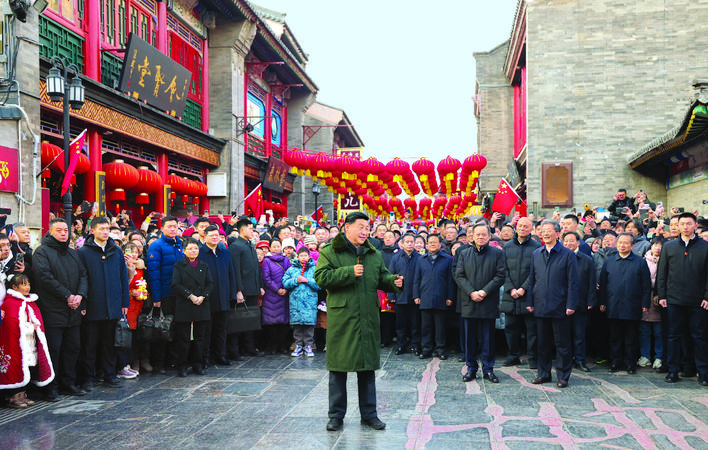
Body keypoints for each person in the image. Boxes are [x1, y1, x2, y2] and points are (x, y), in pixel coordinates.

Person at [314, 211, 403, 432]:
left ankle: (369, 415)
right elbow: (321, 278)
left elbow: (380, 277)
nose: (365, 231)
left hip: (368, 318)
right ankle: (336, 416)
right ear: (347, 227)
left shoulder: (373, 253)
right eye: (361, 227)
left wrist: (393, 282)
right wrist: (348, 272)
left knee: (367, 369)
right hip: (342, 319)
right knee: (338, 370)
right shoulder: (329, 252)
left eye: (367, 227)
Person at [33, 218, 89, 401]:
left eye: (66, 230)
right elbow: (44, 278)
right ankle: (51, 386)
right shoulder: (42, 252)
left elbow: (83, 274)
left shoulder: (73, 253)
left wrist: (80, 295)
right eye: (59, 230)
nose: (64, 233)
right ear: (50, 232)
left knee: (73, 348)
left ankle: (68, 383)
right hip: (53, 309)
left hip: (73, 309)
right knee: (54, 349)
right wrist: (67, 296)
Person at [77, 216, 130, 390]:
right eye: (101, 229)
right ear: (92, 231)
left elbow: (123, 277)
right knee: (89, 345)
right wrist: (83, 304)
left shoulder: (116, 251)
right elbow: (81, 280)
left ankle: (110, 375)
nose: (105, 232)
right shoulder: (83, 252)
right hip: (93, 305)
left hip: (113, 305)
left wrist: (124, 302)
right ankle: (88, 378)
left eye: (107, 228)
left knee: (110, 344)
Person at [656, 212, 708, 385]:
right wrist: (662, 295)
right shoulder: (669, 246)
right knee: (673, 336)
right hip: (674, 299)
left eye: (689, 223)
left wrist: (707, 296)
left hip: (698, 300)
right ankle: (673, 370)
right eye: (682, 223)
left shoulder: (705, 246)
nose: (685, 227)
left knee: (699, 336)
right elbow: (662, 274)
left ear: (695, 226)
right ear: (677, 226)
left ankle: (703, 372)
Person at [526, 220, 578, 388]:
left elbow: (573, 282)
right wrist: (530, 301)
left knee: (562, 344)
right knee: (542, 343)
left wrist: (571, 304)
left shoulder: (567, 254)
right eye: (543, 231)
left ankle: (563, 376)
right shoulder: (536, 253)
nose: (545, 233)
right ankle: (543, 374)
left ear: (558, 234)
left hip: (560, 306)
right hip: (540, 305)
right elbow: (532, 280)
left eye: (549, 231)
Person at [454, 223, 506, 384]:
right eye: (478, 235)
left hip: (488, 301)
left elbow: (500, 276)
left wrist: (484, 292)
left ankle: (488, 369)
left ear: (489, 236)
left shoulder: (497, 254)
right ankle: (471, 368)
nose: (481, 237)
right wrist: (471, 292)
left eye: (484, 234)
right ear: (472, 236)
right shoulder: (464, 253)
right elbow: (459, 275)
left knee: (488, 338)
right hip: (469, 301)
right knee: (470, 338)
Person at [598, 232, 651, 374]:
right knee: (615, 337)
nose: (622, 245)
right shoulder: (609, 261)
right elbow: (603, 284)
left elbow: (646, 285)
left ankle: (630, 363)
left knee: (631, 338)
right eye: (620, 242)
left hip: (632, 305)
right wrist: (602, 302)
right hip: (613, 304)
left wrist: (645, 303)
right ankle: (615, 362)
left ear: (632, 246)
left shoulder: (640, 262)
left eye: (626, 243)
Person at [0, 275, 53, 408]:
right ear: (14, 287)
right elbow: (12, 324)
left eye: (28, 284)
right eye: (23, 285)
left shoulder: (30, 301)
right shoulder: (10, 303)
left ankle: (23, 394)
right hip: (15, 343)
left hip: (29, 342)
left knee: (27, 367)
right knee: (15, 366)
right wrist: (30, 327)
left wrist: (35, 327)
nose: (27, 287)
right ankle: (12, 396)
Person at [501, 217, 541, 369]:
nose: (523, 228)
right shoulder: (507, 246)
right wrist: (511, 288)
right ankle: (513, 356)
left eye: (526, 226)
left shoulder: (537, 247)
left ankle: (533, 358)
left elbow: (536, 271)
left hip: (528, 295)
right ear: (515, 228)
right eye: (520, 226)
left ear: (531, 229)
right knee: (511, 328)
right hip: (510, 295)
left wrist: (524, 288)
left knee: (532, 330)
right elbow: (502, 270)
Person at [146, 216, 183, 373]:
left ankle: (173, 360)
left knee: (177, 328)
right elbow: (154, 273)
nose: (173, 229)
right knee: (162, 328)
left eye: (175, 226)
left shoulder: (180, 244)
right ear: (162, 228)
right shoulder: (156, 246)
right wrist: (157, 298)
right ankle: (159, 363)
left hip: (180, 294)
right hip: (165, 294)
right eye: (169, 226)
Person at [171, 238, 214, 377]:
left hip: (201, 303)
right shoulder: (178, 265)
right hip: (185, 303)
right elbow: (176, 284)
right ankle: (182, 365)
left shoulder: (204, 265)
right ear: (184, 251)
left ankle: (198, 364)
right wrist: (190, 296)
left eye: (195, 248)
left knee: (200, 337)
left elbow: (210, 283)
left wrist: (203, 296)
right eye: (190, 249)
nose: (193, 251)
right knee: (183, 338)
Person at [199, 225, 239, 367]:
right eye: (211, 235)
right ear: (205, 237)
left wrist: (232, 293)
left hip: (224, 296)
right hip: (208, 298)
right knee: (207, 330)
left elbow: (231, 274)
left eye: (217, 235)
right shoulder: (200, 253)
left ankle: (221, 355)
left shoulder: (225, 252)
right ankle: (205, 358)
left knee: (222, 329)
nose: (215, 238)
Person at [228, 216, 265, 359]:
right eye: (250, 229)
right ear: (242, 230)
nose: (252, 231)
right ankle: (235, 350)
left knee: (250, 321)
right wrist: (238, 290)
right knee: (237, 321)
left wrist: (260, 286)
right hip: (242, 290)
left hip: (253, 288)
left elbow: (256, 268)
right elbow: (235, 270)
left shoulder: (250, 245)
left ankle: (249, 347)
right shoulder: (235, 246)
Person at [413, 233, 454, 360]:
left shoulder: (447, 259)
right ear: (426, 244)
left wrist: (450, 297)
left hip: (441, 297)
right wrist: (416, 295)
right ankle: (426, 349)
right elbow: (417, 279)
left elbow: (450, 281)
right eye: (429, 242)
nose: (432, 244)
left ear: (440, 244)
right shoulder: (421, 259)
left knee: (440, 326)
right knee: (426, 326)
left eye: (435, 242)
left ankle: (440, 349)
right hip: (424, 297)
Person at [562, 231, 597, 372]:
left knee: (579, 334)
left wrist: (590, 300)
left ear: (578, 242)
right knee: (563, 334)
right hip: (562, 303)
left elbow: (591, 282)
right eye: (565, 241)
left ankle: (580, 359)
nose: (568, 243)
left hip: (580, 302)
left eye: (571, 241)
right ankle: (565, 359)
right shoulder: (559, 257)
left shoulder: (587, 260)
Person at [282, 247, 320, 357]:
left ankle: (308, 345)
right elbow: (285, 282)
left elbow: (319, 284)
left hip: (310, 301)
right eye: (301, 255)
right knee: (297, 325)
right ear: (297, 257)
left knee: (309, 325)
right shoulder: (292, 269)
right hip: (296, 301)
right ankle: (298, 345)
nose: (303, 257)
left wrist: (307, 280)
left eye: (305, 255)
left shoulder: (314, 269)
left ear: (309, 257)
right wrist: (295, 280)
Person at [388, 233, 422, 356]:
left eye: (411, 241)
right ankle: (401, 345)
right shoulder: (396, 258)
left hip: (415, 297)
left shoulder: (420, 258)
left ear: (414, 243)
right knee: (400, 324)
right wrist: (391, 295)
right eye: (407, 241)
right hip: (400, 296)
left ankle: (416, 345)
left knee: (415, 324)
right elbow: (391, 277)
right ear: (402, 243)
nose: (409, 244)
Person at [261, 239, 291, 354]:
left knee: (284, 323)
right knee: (271, 322)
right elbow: (266, 278)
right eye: (274, 246)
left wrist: (286, 289)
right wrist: (277, 289)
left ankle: (282, 345)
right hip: (271, 294)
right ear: (270, 248)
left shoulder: (286, 259)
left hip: (285, 294)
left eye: (278, 246)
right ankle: (273, 345)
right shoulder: (267, 261)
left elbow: (289, 274)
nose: (276, 248)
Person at [640, 237, 664, 371]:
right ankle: (645, 355)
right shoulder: (643, 261)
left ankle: (659, 356)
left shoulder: (666, 261)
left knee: (659, 331)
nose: (657, 248)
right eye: (655, 245)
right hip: (645, 299)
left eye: (660, 245)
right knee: (644, 330)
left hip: (659, 299)